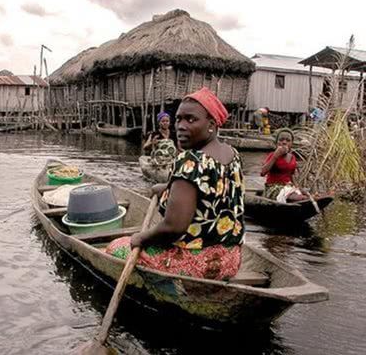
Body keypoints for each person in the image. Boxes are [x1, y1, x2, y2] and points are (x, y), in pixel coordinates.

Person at [107, 87, 245, 280]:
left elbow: (174, 227)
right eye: (178, 119)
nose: (180, 125)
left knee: (116, 247)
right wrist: (166, 188)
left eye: (191, 119)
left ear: (212, 124)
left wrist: (141, 237)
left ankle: (163, 286)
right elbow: (210, 190)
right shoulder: (232, 154)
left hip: (198, 264)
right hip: (230, 259)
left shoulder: (190, 161)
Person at [260, 128, 307, 203]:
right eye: (281, 140)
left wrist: (298, 188)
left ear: (291, 144)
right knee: (294, 196)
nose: (284, 142)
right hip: (274, 188)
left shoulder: (292, 157)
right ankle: (303, 198)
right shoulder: (272, 155)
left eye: (288, 141)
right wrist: (275, 156)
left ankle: (306, 198)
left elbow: (291, 176)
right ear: (277, 143)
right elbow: (263, 172)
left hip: (287, 187)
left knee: (302, 194)